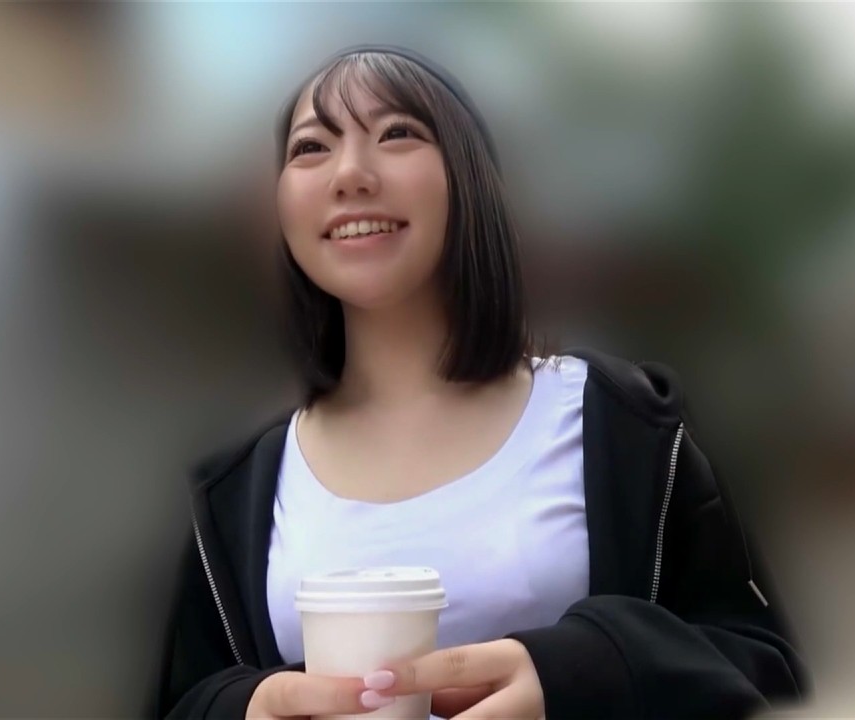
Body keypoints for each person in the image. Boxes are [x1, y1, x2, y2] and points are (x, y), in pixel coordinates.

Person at [149, 44, 809, 720]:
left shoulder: (623, 427)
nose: (349, 173)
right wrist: (248, 706)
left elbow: (765, 671)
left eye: (397, 133)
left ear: (471, 176)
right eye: (311, 147)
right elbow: (183, 700)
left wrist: (580, 671)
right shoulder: (235, 496)